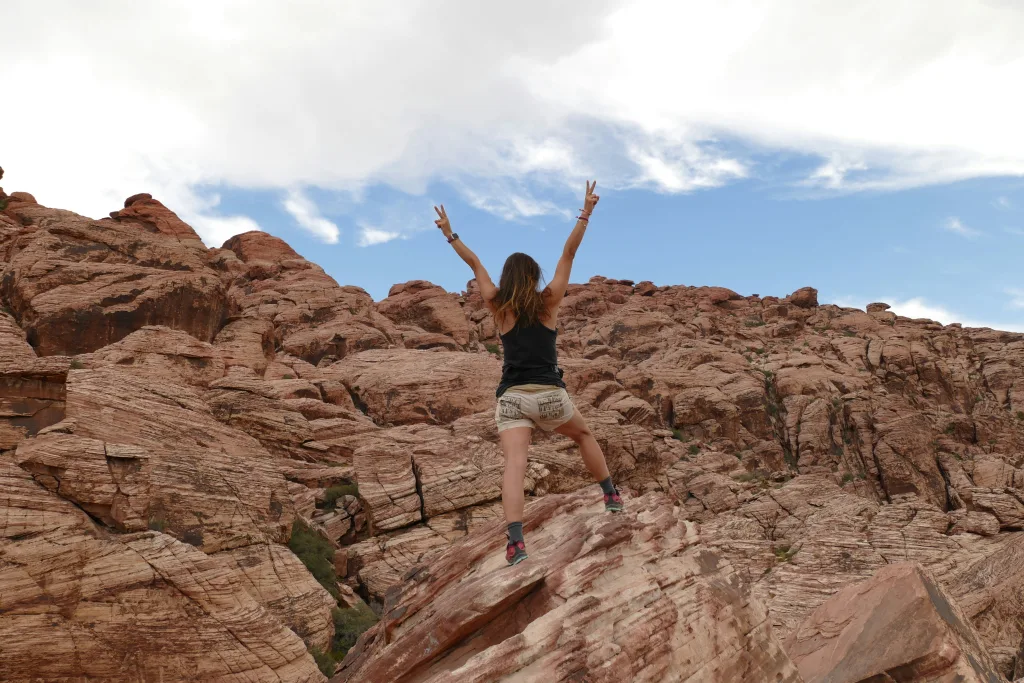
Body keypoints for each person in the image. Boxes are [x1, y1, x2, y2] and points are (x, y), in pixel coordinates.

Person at [433, 181, 623, 567]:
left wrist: (450, 234)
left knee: (515, 465)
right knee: (583, 434)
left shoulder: (497, 305)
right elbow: (569, 253)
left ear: (508, 276)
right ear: (534, 274)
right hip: (550, 395)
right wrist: (585, 213)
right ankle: (610, 495)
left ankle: (516, 544)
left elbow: (475, 265)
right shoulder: (548, 300)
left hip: (513, 399)